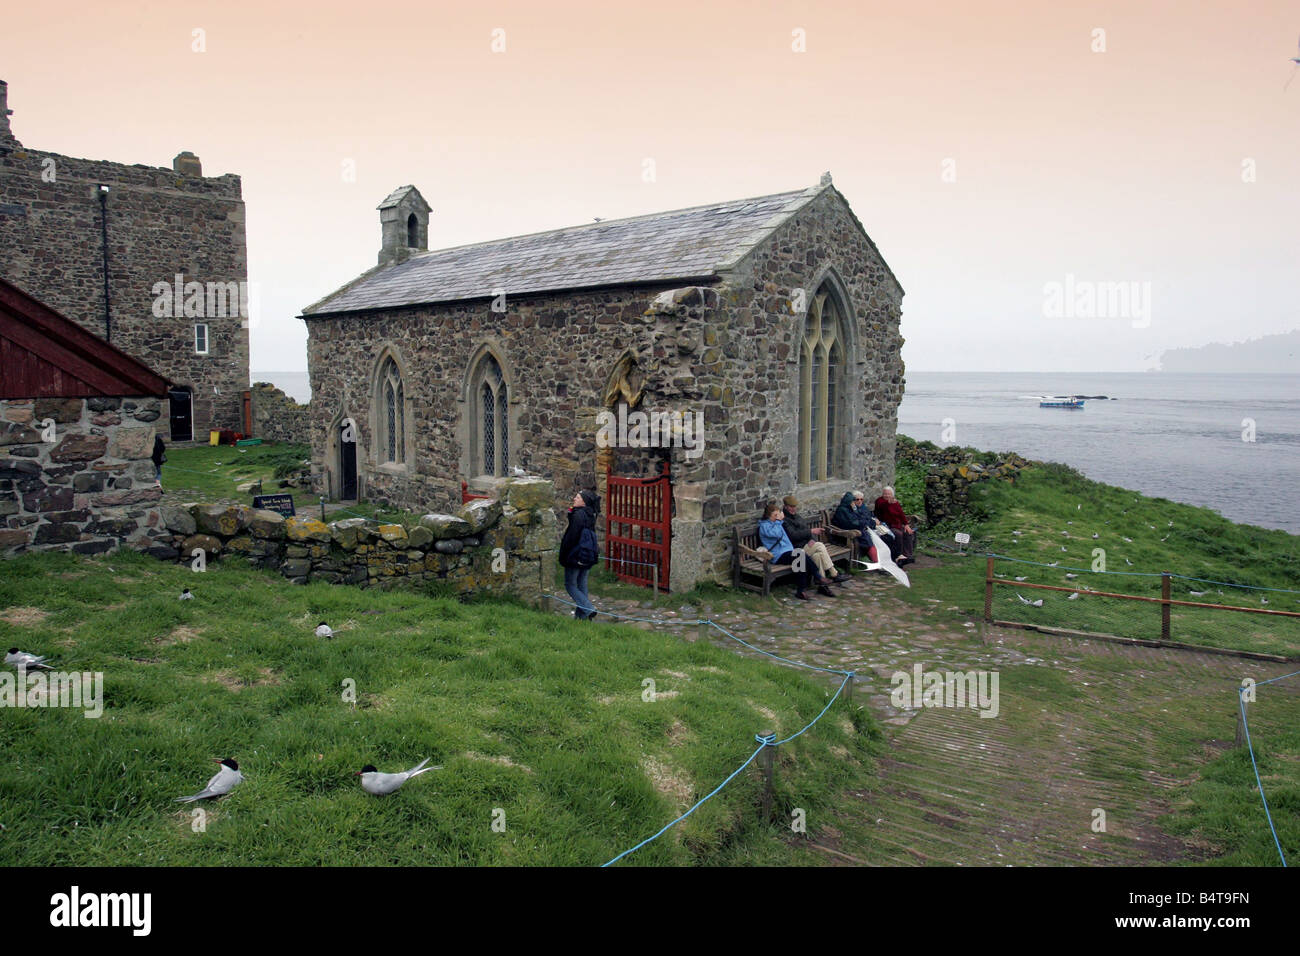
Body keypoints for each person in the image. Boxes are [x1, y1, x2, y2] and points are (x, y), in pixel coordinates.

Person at [782, 495, 846, 592]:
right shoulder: (784, 520)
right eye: (790, 507)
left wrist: (811, 539)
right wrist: (811, 532)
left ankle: (822, 585)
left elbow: (806, 530)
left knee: (817, 555)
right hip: (797, 550)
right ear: (785, 506)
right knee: (820, 545)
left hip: (806, 545)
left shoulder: (797, 517)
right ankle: (834, 574)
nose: (793, 509)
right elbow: (793, 536)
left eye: (794, 507)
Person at [756, 500, 814, 600]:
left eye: (777, 515)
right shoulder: (764, 526)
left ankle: (802, 589)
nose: (776, 517)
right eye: (775, 515)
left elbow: (785, 538)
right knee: (800, 556)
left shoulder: (777, 524)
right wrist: (779, 521)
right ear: (768, 515)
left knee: (800, 556)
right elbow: (777, 534)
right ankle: (816, 578)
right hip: (776, 556)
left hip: (786, 552)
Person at [559, 490, 601, 620]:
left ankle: (588, 608)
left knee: (570, 584)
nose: (574, 499)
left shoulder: (578, 516)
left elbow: (572, 537)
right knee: (582, 584)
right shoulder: (591, 515)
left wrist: (564, 554)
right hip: (587, 555)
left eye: (577, 497)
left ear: (584, 501)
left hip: (576, 555)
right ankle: (581, 617)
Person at [832, 491, 879, 564]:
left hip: (854, 530)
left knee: (869, 535)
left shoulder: (849, 509)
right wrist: (863, 524)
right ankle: (875, 561)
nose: (854, 502)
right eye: (853, 500)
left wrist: (855, 510)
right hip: (845, 534)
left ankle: (876, 560)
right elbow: (851, 523)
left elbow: (858, 518)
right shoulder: (842, 510)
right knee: (866, 537)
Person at [874, 485, 916, 565]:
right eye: (885, 494)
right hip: (887, 525)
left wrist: (906, 525)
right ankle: (899, 556)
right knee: (898, 534)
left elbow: (901, 514)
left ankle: (908, 555)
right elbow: (881, 507)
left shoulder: (895, 503)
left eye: (889, 494)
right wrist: (888, 503)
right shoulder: (879, 501)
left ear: (892, 495)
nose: (887, 495)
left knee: (908, 532)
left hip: (897, 524)